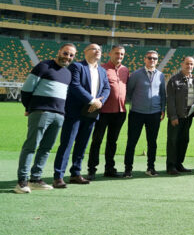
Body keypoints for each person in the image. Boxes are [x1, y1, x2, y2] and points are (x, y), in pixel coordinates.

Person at [14, 43, 76, 194]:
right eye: (65, 53)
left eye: (71, 55)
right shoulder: (43, 66)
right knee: (31, 146)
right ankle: (22, 181)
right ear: (59, 52)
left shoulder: (68, 74)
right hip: (41, 113)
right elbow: (27, 89)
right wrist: (29, 108)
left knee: (46, 148)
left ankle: (35, 179)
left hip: (59, 115)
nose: (67, 57)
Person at [53, 44, 110, 188]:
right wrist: (92, 100)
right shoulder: (77, 67)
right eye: (94, 49)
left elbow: (106, 88)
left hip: (92, 112)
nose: (98, 51)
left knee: (82, 144)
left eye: (99, 49)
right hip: (75, 112)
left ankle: (75, 173)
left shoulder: (102, 71)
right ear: (85, 52)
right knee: (67, 144)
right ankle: (58, 176)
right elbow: (75, 85)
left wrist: (99, 102)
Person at [123, 50, 166, 178]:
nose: (152, 60)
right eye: (149, 58)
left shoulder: (161, 75)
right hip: (137, 113)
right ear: (145, 59)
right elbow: (129, 92)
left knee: (152, 142)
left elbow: (163, 94)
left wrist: (162, 108)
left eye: (154, 58)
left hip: (154, 113)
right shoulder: (136, 74)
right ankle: (128, 169)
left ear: (157, 60)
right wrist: (136, 104)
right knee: (132, 142)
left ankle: (150, 167)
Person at [88, 45, 129, 178]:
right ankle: (92, 169)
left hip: (120, 111)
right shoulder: (102, 69)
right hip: (103, 111)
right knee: (97, 140)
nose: (119, 56)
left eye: (122, 54)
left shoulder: (125, 70)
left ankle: (109, 168)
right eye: (117, 53)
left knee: (112, 141)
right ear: (110, 53)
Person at [165, 56, 194, 175]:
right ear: (182, 64)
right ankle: (171, 166)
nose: (189, 66)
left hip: (188, 117)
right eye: (187, 64)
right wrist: (173, 117)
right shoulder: (174, 80)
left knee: (184, 140)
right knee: (173, 141)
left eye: (191, 64)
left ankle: (179, 164)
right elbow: (170, 101)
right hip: (177, 117)